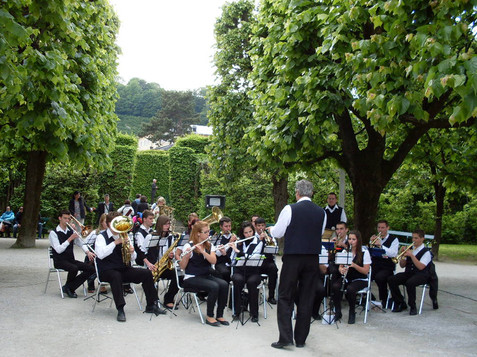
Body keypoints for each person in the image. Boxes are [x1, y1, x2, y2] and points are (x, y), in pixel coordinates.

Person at [269, 179, 326, 349]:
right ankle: (301, 339)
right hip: (312, 258)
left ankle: (286, 337)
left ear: (297, 193)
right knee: (307, 297)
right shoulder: (321, 212)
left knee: (286, 295)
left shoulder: (290, 209)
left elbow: (279, 232)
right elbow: (320, 232)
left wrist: (271, 230)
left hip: (293, 257)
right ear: (312, 193)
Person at [95, 211, 166, 322]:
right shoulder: (101, 237)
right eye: (116, 223)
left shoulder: (124, 235)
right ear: (109, 224)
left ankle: (151, 305)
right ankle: (120, 309)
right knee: (115, 276)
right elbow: (100, 254)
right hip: (107, 270)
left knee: (146, 273)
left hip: (123, 269)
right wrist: (115, 243)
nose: (119, 226)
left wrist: (132, 252)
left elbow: (133, 258)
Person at [179, 220, 229, 326]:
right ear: (198, 233)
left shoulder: (209, 245)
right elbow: (182, 267)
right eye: (205, 232)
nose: (208, 234)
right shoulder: (188, 246)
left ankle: (219, 315)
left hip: (205, 275)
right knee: (214, 286)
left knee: (224, 284)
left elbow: (213, 261)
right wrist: (186, 257)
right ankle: (209, 316)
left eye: (208, 232)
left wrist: (202, 252)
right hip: (191, 278)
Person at [136, 213, 179, 309]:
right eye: (166, 224)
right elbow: (141, 253)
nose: (168, 226)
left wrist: (171, 256)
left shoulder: (170, 238)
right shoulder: (150, 236)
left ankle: (168, 298)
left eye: (169, 224)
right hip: (153, 266)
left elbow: (171, 253)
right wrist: (148, 264)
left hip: (164, 266)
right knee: (148, 278)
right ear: (160, 224)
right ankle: (153, 301)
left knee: (178, 275)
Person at [48, 210, 95, 298]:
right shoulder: (53, 233)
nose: (67, 221)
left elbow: (80, 243)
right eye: (65, 218)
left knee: (91, 269)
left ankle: (68, 287)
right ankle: (70, 289)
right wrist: (70, 238)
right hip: (59, 260)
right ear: (60, 218)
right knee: (74, 268)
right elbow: (58, 250)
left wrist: (87, 252)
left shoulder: (70, 231)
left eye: (68, 219)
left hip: (70, 260)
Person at [388, 229, 435, 315]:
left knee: (410, 283)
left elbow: (421, 267)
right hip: (409, 273)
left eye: (416, 238)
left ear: (422, 239)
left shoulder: (426, 252)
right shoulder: (411, 249)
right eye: (413, 238)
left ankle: (413, 306)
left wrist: (412, 256)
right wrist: (402, 256)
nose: (413, 240)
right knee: (392, 279)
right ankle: (400, 302)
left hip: (422, 275)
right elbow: (402, 265)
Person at [331, 230, 371, 324]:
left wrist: (354, 265)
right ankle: (338, 311)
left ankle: (352, 312)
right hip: (348, 277)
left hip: (360, 278)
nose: (351, 241)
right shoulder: (345, 251)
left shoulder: (365, 252)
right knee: (336, 286)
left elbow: (366, 271)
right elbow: (341, 266)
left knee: (351, 289)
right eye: (349, 239)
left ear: (358, 240)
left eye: (353, 239)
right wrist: (341, 270)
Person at [230, 221, 265, 323]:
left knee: (252, 282)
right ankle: (237, 312)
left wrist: (238, 252)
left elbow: (253, 257)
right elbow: (232, 259)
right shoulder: (239, 242)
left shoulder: (258, 242)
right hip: (239, 271)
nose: (249, 234)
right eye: (246, 233)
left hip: (253, 271)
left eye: (250, 232)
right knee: (238, 280)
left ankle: (254, 313)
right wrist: (232, 248)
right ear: (242, 234)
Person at [370, 220, 399, 307]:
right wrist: (370, 244)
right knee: (364, 274)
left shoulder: (394, 240)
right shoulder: (374, 238)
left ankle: (384, 298)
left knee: (380, 277)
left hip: (387, 266)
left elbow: (393, 253)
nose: (380, 229)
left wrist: (381, 246)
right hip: (375, 264)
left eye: (383, 227)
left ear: (387, 228)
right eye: (379, 227)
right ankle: (367, 296)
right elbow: (369, 252)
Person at [255, 217, 279, 304]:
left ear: (265, 226)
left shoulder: (270, 235)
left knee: (274, 269)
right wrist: (260, 240)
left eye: (262, 225)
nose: (260, 228)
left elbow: (275, 248)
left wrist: (270, 240)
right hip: (256, 261)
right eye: (258, 226)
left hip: (267, 261)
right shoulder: (253, 236)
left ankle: (271, 296)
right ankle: (255, 295)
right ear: (255, 226)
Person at [83, 213, 108, 293]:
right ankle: (91, 284)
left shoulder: (112, 233)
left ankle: (103, 284)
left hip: (105, 255)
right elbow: (84, 243)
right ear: (101, 222)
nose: (107, 223)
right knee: (94, 262)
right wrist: (88, 252)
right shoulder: (95, 233)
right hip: (94, 255)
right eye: (105, 221)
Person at [213, 216, 237, 282]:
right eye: (226, 226)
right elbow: (218, 253)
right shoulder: (218, 238)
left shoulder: (234, 237)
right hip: (221, 262)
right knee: (224, 272)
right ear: (221, 227)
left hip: (232, 262)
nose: (228, 228)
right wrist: (229, 243)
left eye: (229, 226)